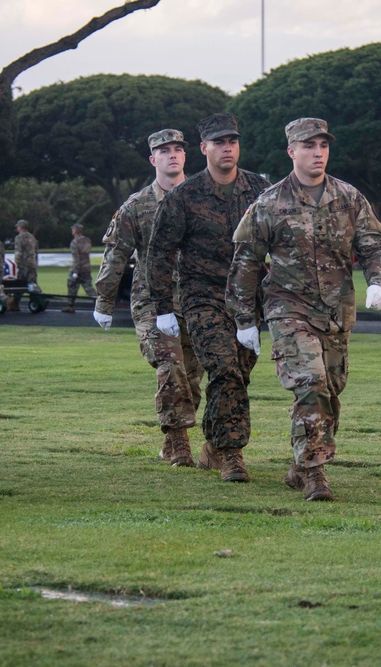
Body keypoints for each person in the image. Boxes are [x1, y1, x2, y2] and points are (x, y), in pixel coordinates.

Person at [227, 118, 381, 501]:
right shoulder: (270, 203)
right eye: (308, 146)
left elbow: (375, 245)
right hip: (288, 309)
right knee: (311, 383)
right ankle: (314, 472)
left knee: (331, 392)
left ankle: (298, 465)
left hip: (337, 312)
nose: (317, 152)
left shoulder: (349, 197)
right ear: (291, 152)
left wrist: (378, 281)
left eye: (322, 145)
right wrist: (243, 319)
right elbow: (246, 263)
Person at [146, 112, 270, 482]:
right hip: (203, 299)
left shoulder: (261, 190)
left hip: (248, 302)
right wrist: (163, 307)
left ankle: (213, 448)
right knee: (224, 369)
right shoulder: (184, 196)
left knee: (239, 376)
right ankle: (232, 454)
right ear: (204, 148)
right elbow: (160, 252)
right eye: (219, 142)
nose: (227, 148)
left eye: (232, 141)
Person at [93, 129, 205, 467]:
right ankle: (181, 442)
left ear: (186, 156)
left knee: (192, 380)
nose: (172, 155)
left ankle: (172, 440)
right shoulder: (137, 205)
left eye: (177, 150)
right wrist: (104, 300)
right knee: (170, 367)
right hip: (152, 304)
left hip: (197, 301)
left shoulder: (204, 199)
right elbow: (116, 255)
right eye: (164, 150)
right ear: (152, 159)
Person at [63, 223, 96, 312]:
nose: (72, 231)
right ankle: (99, 304)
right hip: (87, 267)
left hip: (78, 268)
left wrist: (75, 272)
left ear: (75, 231)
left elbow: (77, 258)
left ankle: (70, 305)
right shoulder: (87, 240)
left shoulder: (74, 242)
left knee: (72, 286)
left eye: (73, 229)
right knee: (88, 287)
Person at [10, 219, 39, 312]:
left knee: (19, 284)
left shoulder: (19, 237)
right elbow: (36, 251)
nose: (17, 228)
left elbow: (18, 252)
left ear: (20, 227)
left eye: (18, 226)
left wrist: (17, 264)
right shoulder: (32, 237)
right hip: (32, 263)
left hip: (23, 264)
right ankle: (36, 300)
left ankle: (15, 303)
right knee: (33, 283)